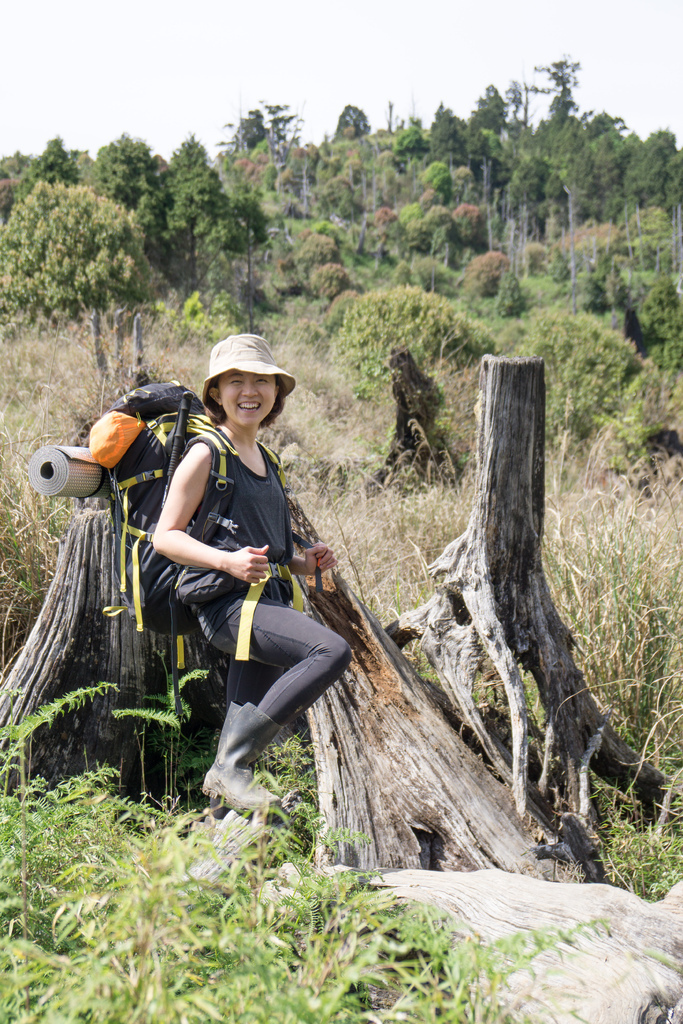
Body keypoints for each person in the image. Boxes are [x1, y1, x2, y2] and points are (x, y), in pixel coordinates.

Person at [154, 334, 352, 811]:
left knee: (237, 723)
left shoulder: (271, 463)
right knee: (331, 650)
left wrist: (307, 563)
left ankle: (216, 825)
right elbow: (166, 536)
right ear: (217, 394)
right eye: (236, 381)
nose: (250, 391)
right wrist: (227, 561)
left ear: (275, 395)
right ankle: (231, 766)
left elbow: (277, 553)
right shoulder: (206, 454)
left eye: (261, 381)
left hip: (267, 602)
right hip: (227, 606)